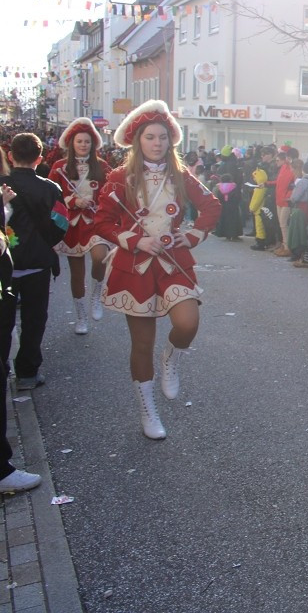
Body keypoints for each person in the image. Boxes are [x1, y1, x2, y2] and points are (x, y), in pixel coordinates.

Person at [95, 101, 221, 439]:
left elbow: (211, 204)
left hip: (173, 261)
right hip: (134, 266)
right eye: (150, 137)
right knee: (141, 344)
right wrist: (134, 239)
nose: (157, 143)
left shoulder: (181, 175)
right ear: (138, 141)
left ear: (171, 140)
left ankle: (171, 357)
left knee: (187, 323)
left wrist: (192, 234)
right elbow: (102, 220)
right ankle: (148, 411)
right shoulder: (120, 177)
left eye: (163, 137)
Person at [0, 133, 69, 392]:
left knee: (3, 320)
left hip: (4, 266)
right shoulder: (51, 188)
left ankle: (2, 369)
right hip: (38, 264)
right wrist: (46, 241)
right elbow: (62, 223)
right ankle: (27, 372)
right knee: (34, 319)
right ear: (39, 159)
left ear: (10, 156)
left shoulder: (1, 186)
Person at [47, 118, 112, 334]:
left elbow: (111, 193)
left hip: (94, 223)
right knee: (77, 274)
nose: (83, 145)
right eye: (79, 141)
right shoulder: (59, 168)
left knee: (100, 257)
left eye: (87, 142)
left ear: (93, 144)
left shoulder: (102, 166)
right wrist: (73, 201)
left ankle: (97, 294)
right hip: (72, 226)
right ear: (72, 144)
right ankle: (81, 316)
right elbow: (52, 197)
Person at [0, 175, 42, 493]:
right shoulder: (48, 184)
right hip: (30, 263)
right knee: (33, 319)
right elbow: (57, 220)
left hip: (16, 271)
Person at [213, 174, 244, 242]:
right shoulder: (234, 186)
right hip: (233, 206)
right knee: (234, 220)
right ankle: (234, 235)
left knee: (225, 220)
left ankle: (226, 235)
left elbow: (217, 197)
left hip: (224, 206)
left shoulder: (219, 187)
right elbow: (238, 196)